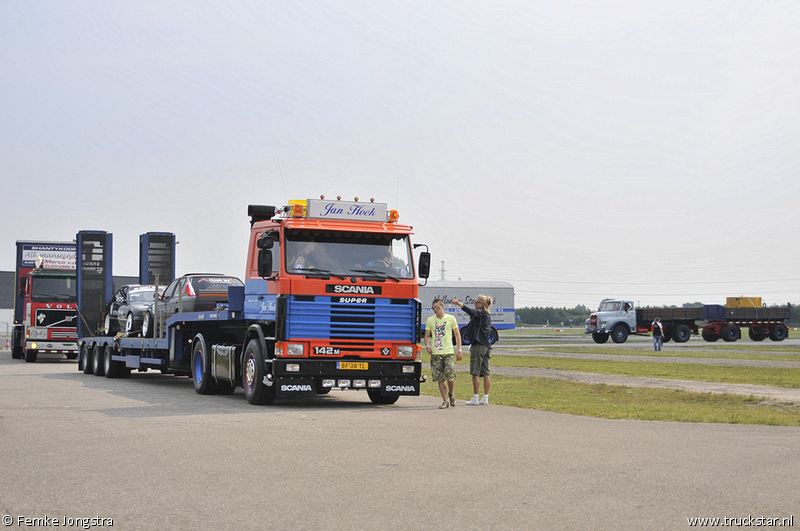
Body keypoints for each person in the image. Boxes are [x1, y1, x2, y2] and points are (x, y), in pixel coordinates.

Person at [452, 294, 493, 405]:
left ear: (482, 304)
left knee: (475, 372)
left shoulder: (480, 313)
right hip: (487, 346)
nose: (474, 304)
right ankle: (485, 397)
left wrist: (460, 304)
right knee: (486, 372)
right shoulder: (487, 315)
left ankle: (475, 397)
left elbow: (472, 312)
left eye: (477, 302)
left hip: (478, 345)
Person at [424, 298, 463, 408]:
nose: (435, 310)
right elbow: (427, 335)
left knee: (450, 375)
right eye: (433, 308)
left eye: (437, 307)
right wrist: (427, 346)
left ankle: (451, 394)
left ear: (442, 307)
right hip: (436, 353)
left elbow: (457, 334)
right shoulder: (430, 320)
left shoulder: (450, 318)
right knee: (439, 378)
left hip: (448, 352)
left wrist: (459, 350)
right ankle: (445, 400)